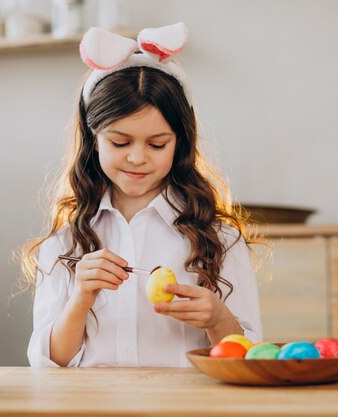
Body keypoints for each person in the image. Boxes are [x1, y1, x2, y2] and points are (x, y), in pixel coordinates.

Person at [23, 22, 263, 367]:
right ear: (94, 141)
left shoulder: (219, 239)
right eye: (119, 142)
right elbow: (48, 364)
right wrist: (80, 298)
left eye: (157, 144)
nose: (137, 157)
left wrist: (218, 318)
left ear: (180, 143)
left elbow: (253, 357)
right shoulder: (65, 244)